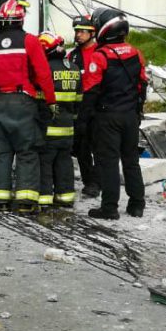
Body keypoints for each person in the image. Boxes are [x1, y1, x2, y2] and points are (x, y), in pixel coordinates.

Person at [0, 0, 56, 214]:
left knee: (1, 153)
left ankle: (1, 200)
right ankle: (25, 202)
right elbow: (43, 74)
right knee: (27, 152)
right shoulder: (30, 42)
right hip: (23, 102)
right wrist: (50, 100)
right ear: (21, 19)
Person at [83, 8, 147, 220]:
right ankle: (137, 205)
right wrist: (137, 112)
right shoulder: (136, 53)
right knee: (131, 161)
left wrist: (84, 121)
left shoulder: (99, 56)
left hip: (107, 117)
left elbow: (91, 91)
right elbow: (142, 85)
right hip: (130, 116)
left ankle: (109, 208)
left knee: (108, 162)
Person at [36, 31, 80, 209]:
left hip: (49, 128)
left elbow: (39, 100)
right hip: (68, 128)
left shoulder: (45, 69)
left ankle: (45, 199)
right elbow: (78, 100)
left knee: (45, 163)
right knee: (64, 162)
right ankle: (65, 197)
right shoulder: (74, 68)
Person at [69, 14, 100, 198]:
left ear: (92, 33)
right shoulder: (72, 56)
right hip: (79, 109)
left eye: (82, 31)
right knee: (82, 148)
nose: (78, 35)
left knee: (100, 148)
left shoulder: (101, 52)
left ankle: (98, 181)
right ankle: (90, 182)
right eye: (77, 31)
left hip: (98, 108)